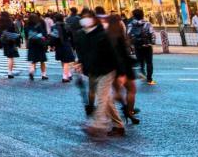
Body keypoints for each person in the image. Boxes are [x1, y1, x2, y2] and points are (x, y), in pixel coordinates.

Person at [75, 10, 125, 138]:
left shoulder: (103, 34)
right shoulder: (80, 34)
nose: (85, 20)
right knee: (107, 99)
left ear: (93, 19)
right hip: (92, 70)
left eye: (88, 17)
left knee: (102, 97)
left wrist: (121, 73)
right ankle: (118, 125)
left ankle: (98, 124)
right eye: (83, 18)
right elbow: (80, 52)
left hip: (107, 69)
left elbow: (114, 54)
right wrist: (80, 63)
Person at [128, 8, 156, 84]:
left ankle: (142, 72)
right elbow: (152, 33)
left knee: (140, 61)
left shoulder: (131, 24)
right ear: (142, 15)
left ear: (134, 16)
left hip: (137, 45)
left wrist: (131, 44)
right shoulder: (147, 23)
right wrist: (152, 42)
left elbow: (128, 34)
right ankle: (149, 79)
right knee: (149, 62)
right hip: (147, 45)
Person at [50, 12, 76, 82]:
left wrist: (52, 46)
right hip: (66, 44)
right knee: (66, 61)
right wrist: (73, 45)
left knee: (63, 61)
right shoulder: (66, 25)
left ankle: (68, 74)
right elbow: (71, 36)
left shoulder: (53, 27)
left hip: (58, 45)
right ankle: (65, 77)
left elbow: (52, 37)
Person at [24, 12, 49, 81]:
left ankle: (31, 71)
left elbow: (26, 36)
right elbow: (43, 34)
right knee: (42, 61)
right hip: (39, 44)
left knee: (33, 60)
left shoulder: (26, 26)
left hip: (31, 44)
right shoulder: (39, 25)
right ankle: (44, 75)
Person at [0, 11, 20, 78]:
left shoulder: (0, 23)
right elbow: (14, 32)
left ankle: (11, 68)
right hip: (11, 41)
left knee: (9, 57)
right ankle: (10, 73)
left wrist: (0, 44)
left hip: (4, 41)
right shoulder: (10, 22)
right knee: (10, 57)